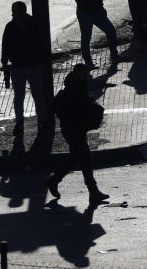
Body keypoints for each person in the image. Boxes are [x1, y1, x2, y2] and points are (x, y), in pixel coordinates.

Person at [46, 64, 110, 206]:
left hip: (77, 128)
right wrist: (88, 103)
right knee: (85, 157)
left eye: (86, 74)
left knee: (76, 158)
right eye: (83, 74)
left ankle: (53, 181)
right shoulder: (72, 88)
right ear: (76, 74)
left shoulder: (79, 85)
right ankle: (93, 191)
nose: (86, 76)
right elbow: (73, 107)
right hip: (71, 129)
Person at [1, 1, 46, 137]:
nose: (13, 14)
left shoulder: (32, 24)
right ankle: (21, 123)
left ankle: (41, 122)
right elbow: (5, 45)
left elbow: (38, 43)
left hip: (30, 66)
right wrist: (4, 62)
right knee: (21, 96)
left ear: (22, 12)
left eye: (15, 11)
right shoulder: (11, 26)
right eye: (13, 11)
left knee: (36, 96)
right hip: (19, 66)